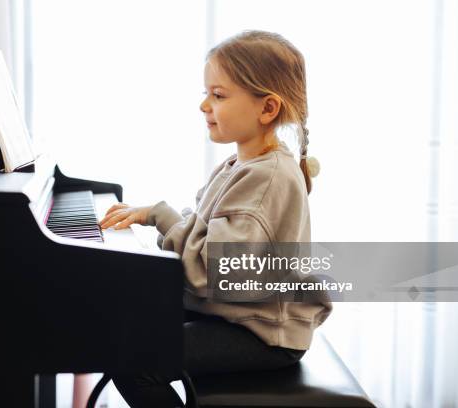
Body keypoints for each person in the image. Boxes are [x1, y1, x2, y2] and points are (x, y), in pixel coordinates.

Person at [98, 30, 332, 408]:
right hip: (240, 311)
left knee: (134, 357)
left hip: (262, 333)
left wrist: (160, 216)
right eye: (206, 93)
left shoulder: (265, 176)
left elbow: (216, 271)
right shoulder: (244, 163)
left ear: (267, 109)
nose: (204, 105)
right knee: (129, 315)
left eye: (219, 95)